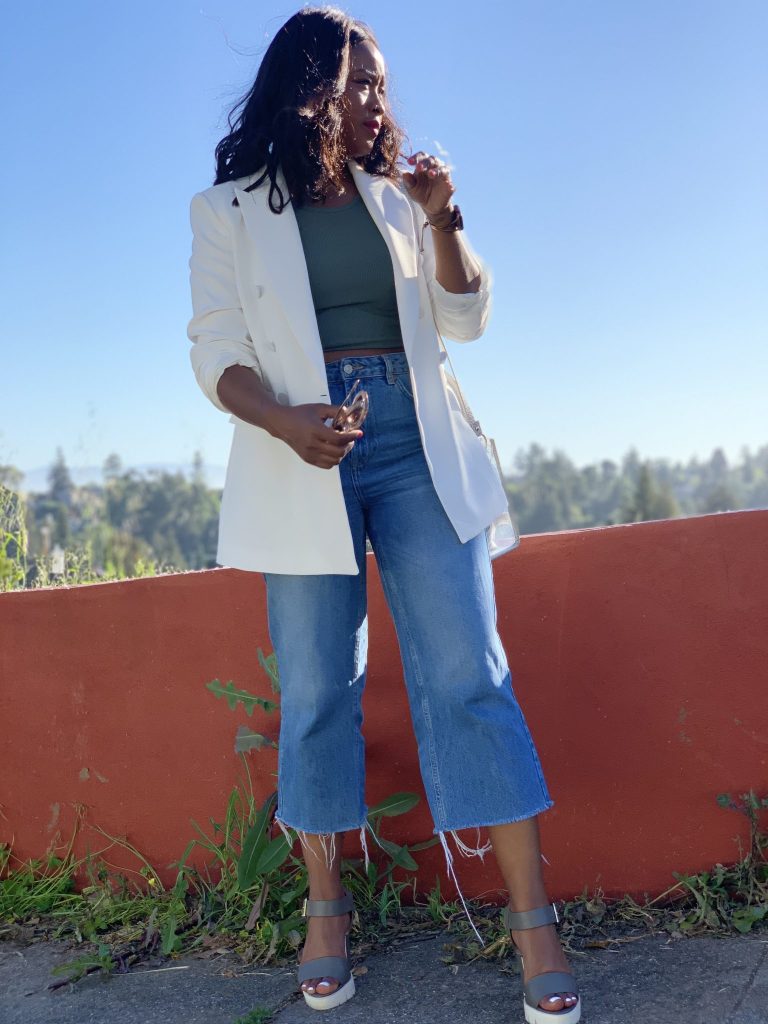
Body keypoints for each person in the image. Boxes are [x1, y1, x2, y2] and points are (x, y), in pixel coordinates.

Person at [186, 7, 580, 1021]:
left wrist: (444, 214)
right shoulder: (227, 209)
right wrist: (284, 419)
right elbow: (215, 352)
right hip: (300, 448)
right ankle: (326, 908)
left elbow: (465, 318)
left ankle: (532, 915)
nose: (379, 104)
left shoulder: (399, 197)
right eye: (361, 84)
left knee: (468, 671)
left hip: (416, 442)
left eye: (384, 87)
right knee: (318, 685)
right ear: (308, 87)